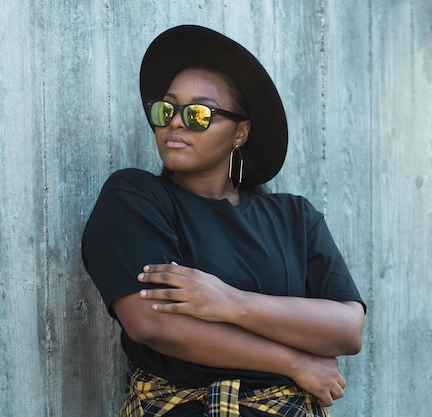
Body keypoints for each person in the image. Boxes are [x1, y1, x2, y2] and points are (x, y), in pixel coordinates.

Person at [81, 25, 366, 417]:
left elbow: (347, 328)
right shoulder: (136, 199)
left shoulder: (294, 217)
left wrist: (231, 303)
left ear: (240, 133)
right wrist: (294, 362)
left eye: (198, 113)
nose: (176, 123)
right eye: (167, 109)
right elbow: (153, 324)